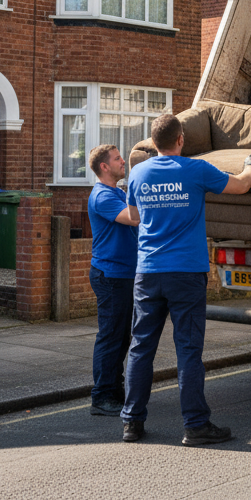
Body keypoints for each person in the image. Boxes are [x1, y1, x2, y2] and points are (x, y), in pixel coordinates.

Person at [120, 114, 251, 446]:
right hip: (186, 272)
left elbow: (134, 216)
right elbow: (241, 185)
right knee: (187, 349)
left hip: (148, 272)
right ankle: (196, 425)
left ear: (153, 142)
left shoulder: (138, 173)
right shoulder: (196, 170)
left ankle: (132, 423)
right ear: (180, 139)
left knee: (141, 347)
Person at [85, 143, 138, 418]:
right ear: (104, 167)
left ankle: (114, 391)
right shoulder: (102, 196)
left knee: (121, 337)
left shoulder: (117, 191)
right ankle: (102, 396)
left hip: (123, 274)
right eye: (118, 159)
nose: (123, 162)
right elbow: (132, 218)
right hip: (111, 276)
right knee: (111, 336)